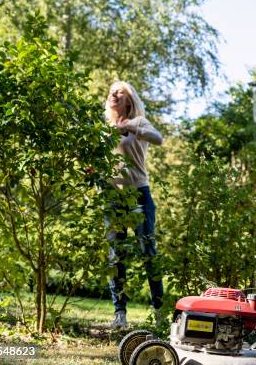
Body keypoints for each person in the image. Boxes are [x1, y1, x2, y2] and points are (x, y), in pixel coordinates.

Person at [103, 81, 164, 328]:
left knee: (148, 251)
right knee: (115, 255)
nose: (114, 96)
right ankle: (120, 314)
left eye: (120, 93)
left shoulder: (138, 122)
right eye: (111, 93)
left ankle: (159, 311)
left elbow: (158, 139)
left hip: (139, 194)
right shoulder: (104, 127)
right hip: (112, 197)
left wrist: (131, 128)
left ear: (129, 100)